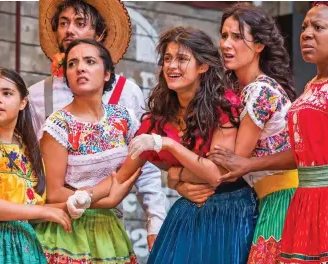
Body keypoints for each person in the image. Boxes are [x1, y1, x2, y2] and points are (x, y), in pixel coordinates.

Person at [209, 2, 328, 264]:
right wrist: (249, 164)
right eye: (305, 26)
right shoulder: (312, 86)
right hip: (309, 207)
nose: (307, 33)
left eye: (319, 27)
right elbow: (303, 154)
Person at [83, 26, 258, 263]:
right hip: (189, 208)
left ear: (203, 66)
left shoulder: (222, 104)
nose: (172, 66)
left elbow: (217, 174)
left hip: (231, 212)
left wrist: (171, 153)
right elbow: (122, 176)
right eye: (167, 58)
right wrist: (79, 197)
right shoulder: (159, 119)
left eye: (182, 59)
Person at [29, 0, 166, 249]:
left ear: (100, 34)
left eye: (80, 23)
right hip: (55, 222)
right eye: (63, 23)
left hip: (108, 225)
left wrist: (155, 221)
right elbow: (28, 163)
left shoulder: (126, 95)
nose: (70, 30)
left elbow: (144, 164)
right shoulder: (37, 96)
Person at [33, 39, 141, 263]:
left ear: (107, 74)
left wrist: (100, 194)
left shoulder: (124, 118)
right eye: (72, 64)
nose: (79, 68)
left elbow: (135, 166)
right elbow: (53, 192)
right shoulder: (59, 125)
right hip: (67, 228)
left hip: (109, 229)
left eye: (89, 61)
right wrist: (108, 200)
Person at [0, 68, 71, 264]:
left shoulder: (28, 150)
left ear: (23, 102)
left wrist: (69, 206)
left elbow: (29, 208)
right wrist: (44, 211)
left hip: (22, 245)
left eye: (7, 93)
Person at [219, 3, 297, 263]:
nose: (226, 44)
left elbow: (232, 163)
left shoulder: (259, 92)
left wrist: (176, 170)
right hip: (272, 198)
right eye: (224, 35)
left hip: (284, 201)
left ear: (260, 45)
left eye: (237, 37)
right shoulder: (249, 90)